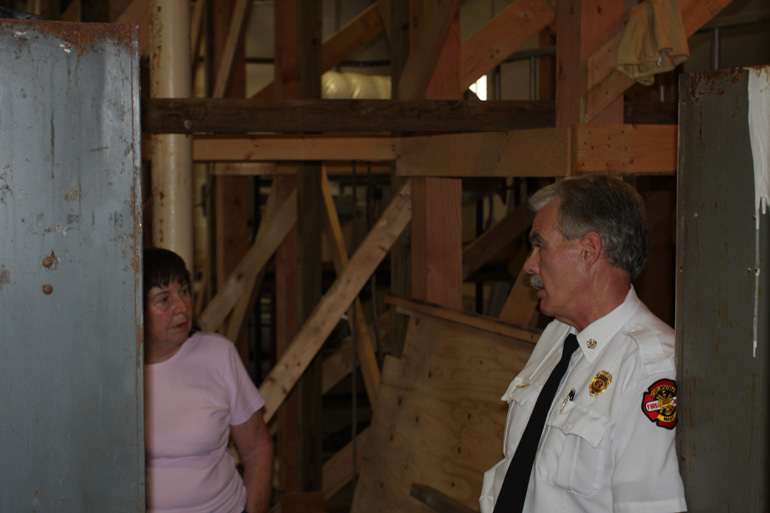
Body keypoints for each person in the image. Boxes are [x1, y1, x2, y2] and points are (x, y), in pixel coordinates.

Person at [479, 175, 687, 512]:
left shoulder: (649, 369)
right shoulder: (558, 336)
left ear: (589, 251)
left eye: (540, 245)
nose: (530, 264)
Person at [143, 247, 273, 513]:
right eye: (164, 300)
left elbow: (258, 450)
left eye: (184, 291)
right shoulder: (111, 376)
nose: (182, 306)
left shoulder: (218, 355)